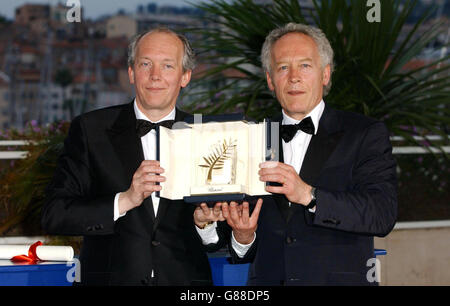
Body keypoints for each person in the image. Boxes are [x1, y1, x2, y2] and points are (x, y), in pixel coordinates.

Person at [41, 27, 228, 286]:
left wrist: (205, 227)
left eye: (167, 66)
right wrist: (124, 200)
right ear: (131, 72)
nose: (155, 76)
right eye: (145, 64)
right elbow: (55, 214)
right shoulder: (90, 129)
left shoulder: (208, 135)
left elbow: (223, 235)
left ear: (185, 76)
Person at [223, 23, 397, 286]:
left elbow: (381, 215)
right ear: (270, 79)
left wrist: (309, 195)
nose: (294, 77)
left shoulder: (364, 133)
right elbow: (242, 243)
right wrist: (242, 236)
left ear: (325, 74)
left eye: (305, 66)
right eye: (283, 67)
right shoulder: (250, 137)